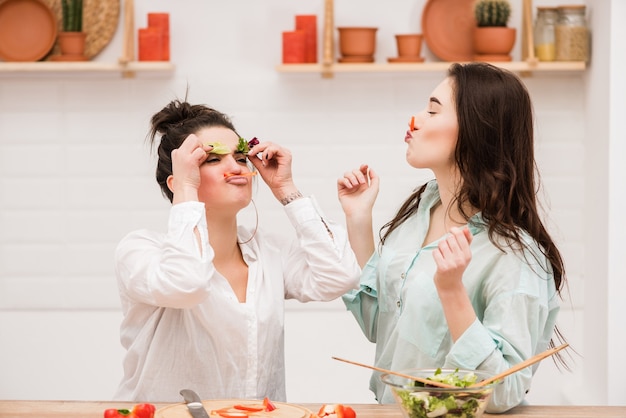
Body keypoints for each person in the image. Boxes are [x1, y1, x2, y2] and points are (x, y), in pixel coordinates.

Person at [337, 62, 567, 413]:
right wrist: (358, 220)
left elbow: (504, 392)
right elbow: (376, 325)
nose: (415, 120)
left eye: (432, 110)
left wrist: (451, 290)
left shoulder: (517, 257)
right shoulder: (417, 216)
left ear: (477, 131)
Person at [113, 98, 360, 402]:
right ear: (179, 181)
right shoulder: (140, 251)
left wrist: (286, 189)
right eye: (213, 160)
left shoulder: (268, 252)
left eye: (241, 157)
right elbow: (186, 284)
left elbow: (340, 276)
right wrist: (186, 189)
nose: (236, 168)